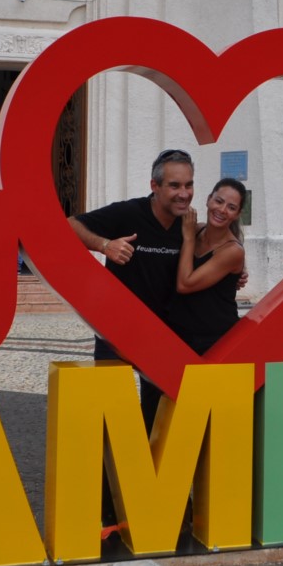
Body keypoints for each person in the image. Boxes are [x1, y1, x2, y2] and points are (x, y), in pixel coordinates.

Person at [67, 148, 195, 427]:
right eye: (174, 185)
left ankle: (149, 469)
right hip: (116, 332)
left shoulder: (189, 225)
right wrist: (105, 245)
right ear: (155, 186)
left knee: (158, 417)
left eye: (188, 184)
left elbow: (213, 251)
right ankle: (104, 470)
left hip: (164, 336)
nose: (183, 193)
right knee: (106, 413)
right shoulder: (128, 213)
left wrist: (236, 273)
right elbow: (69, 226)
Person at [166, 178, 248, 355]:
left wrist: (188, 238)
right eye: (219, 201)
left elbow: (185, 284)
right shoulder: (196, 230)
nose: (222, 210)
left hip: (214, 340)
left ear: (237, 214)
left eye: (231, 207)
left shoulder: (232, 250)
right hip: (181, 334)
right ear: (208, 199)